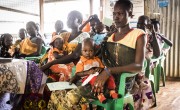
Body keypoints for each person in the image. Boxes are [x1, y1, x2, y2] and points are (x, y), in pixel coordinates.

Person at [93, 0, 155, 110]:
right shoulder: (110, 36)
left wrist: (109, 71)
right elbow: (100, 57)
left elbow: (138, 66)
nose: (116, 17)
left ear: (130, 15)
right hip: (107, 79)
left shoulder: (138, 34)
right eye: (114, 14)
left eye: (120, 14)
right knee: (73, 89)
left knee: (74, 95)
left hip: (123, 83)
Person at [70, 38, 118, 103]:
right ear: (81, 51)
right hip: (88, 79)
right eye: (85, 51)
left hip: (99, 77)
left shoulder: (97, 60)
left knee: (109, 76)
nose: (88, 53)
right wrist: (88, 72)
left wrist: (100, 69)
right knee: (95, 79)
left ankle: (112, 91)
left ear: (94, 51)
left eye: (91, 51)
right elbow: (78, 74)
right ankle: (99, 94)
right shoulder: (81, 62)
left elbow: (103, 69)